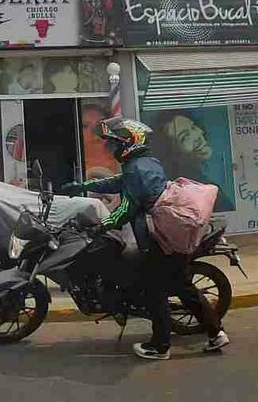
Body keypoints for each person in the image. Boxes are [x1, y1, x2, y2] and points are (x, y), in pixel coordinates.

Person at [61, 116, 229, 361]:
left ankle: (160, 346)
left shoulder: (137, 168)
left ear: (128, 143)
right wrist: (83, 187)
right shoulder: (144, 162)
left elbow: (126, 208)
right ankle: (216, 333)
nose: (111, 148)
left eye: (114, 144)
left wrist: (100, 227)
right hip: (169, 237)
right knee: (183, 287)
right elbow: (121, 183)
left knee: (154, 291)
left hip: (158, 240)